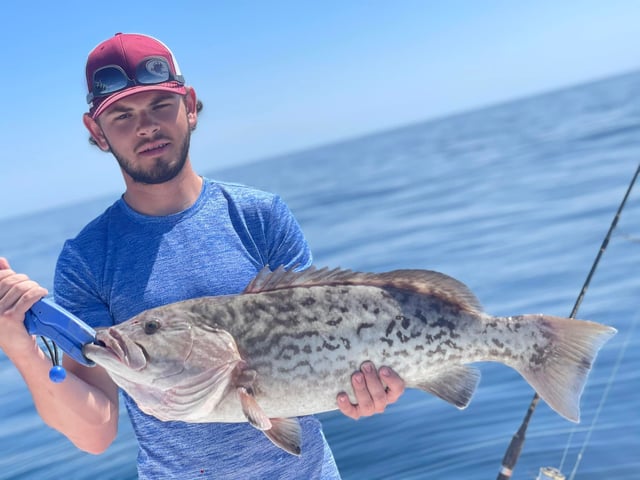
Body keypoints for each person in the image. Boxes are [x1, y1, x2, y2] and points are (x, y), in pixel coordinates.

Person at [0, 33, 405, 479]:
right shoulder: (86, 259)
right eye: (121, 115)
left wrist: (366, 390)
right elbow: (95, 433)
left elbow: (325, 342)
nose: (146, 127)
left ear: (189, 106)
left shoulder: (261, 216)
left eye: (160, 105)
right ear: (96, 132)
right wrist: (21, 347)